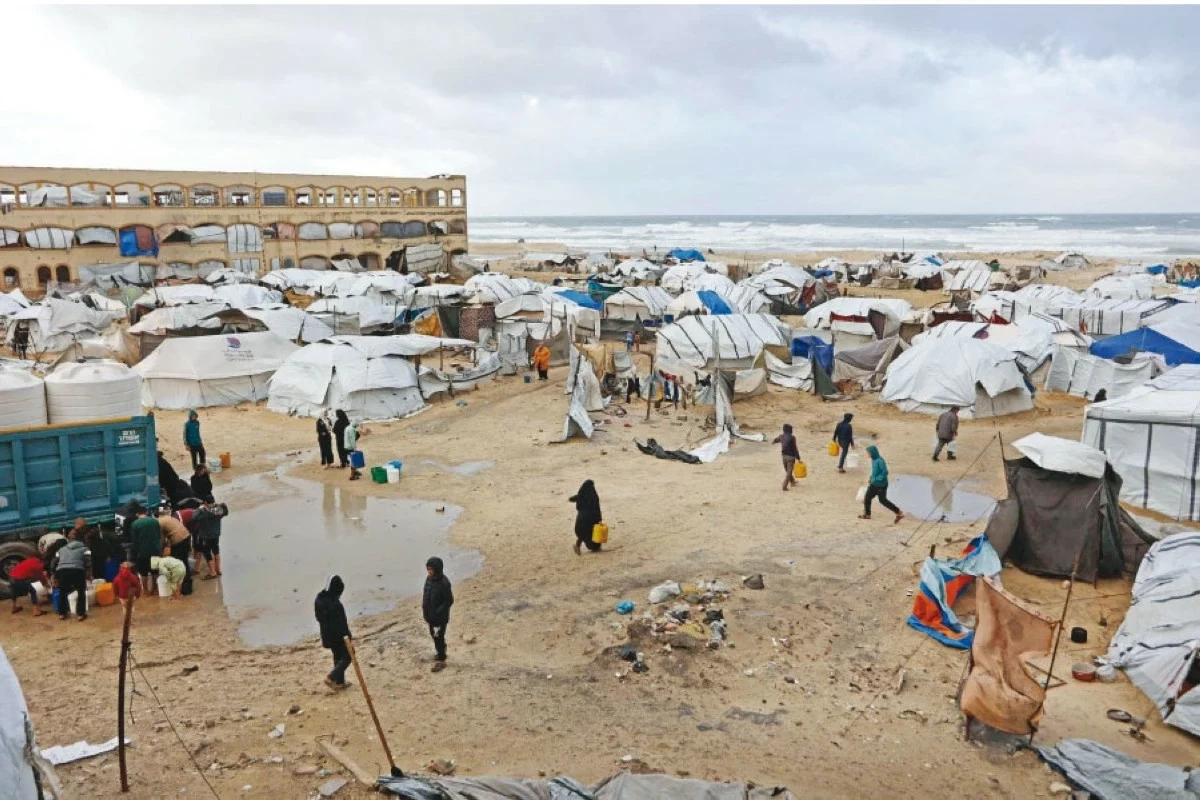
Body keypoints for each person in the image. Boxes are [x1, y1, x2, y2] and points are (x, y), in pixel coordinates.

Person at [314, 575, 352, 689]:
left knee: (337, 656)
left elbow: (319, 618)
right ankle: (331, 677)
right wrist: (348, 637)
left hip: (326, 635)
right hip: (338, 636)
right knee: (349, 655)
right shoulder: (336, 605)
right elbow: (342, 623)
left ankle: (340, 682)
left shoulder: (319, 600)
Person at [51, 528, 91, 620]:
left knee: (62, 592)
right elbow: (88, 562)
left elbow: (53, 563)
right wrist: (88, 573)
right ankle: (80, 614)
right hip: (78, 570)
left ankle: (62, 614)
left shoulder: (61, 549)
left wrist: (53, 574)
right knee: (81, 592)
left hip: (62, 571)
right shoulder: (85, 549)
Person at [422, 557, 454, 673]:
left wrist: (437, 612)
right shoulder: (428, 579)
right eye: (428, 569)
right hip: (430, 616)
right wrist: (426, 611)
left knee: (438, 637)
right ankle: (442, 650)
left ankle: (442, 660)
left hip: (440, 618)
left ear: (437, 569)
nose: (429, 571)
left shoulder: (444, 583)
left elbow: (449, 600)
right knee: (434, 635)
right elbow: (426, 595)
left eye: (431, 569)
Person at [861, 445, 904, 523]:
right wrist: (871, 478)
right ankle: (867, 514)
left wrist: (876, 479)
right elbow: (874, 471)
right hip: (874, 483)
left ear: (873, 453)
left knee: (882, 500)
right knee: (867, 497)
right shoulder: (873, 460)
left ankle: (899, 513)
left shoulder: (880, 461)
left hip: (881, 485)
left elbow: (885, 472)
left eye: (868, 453)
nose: (867, 454)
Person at [130, 504, 162, 595]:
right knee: (155, 572)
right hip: (155, 551)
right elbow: (159, 536)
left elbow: (135, 541)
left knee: (143, 573)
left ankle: (146, 592)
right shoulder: (154, 521)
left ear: (137, 513)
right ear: (146, 512)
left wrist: (134, 555)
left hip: (142, 553)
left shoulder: (135, 524)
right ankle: (155, 590)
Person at [569, 479, 603, 555]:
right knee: (591, 533)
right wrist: (599, 519)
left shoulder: (581, 495)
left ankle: (578, 546)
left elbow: (575, 498)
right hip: (591, 520)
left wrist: (572, 498)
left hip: (581, 522)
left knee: (582, 534)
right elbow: (597, 509)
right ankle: (595, 547)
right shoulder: (594, 497)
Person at [193, 503, 226, 579]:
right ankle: (218, 570)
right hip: (216, 535)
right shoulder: (217, 512)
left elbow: (194, 517)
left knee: (207, 553)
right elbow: (223, 511)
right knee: (216, 551)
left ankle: (212, 573)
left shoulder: (204, 513)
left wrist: (199, 509)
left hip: (206, 537)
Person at [772, 424, 801, 492]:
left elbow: (776, 440)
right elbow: (794, 449)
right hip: (791, 457)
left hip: (784, 456)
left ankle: (792, 481)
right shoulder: (792, 437)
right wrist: (798, 457)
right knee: (789, 472)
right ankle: (784, 486)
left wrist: (773, 441)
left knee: (787, 471)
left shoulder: (781, 436)